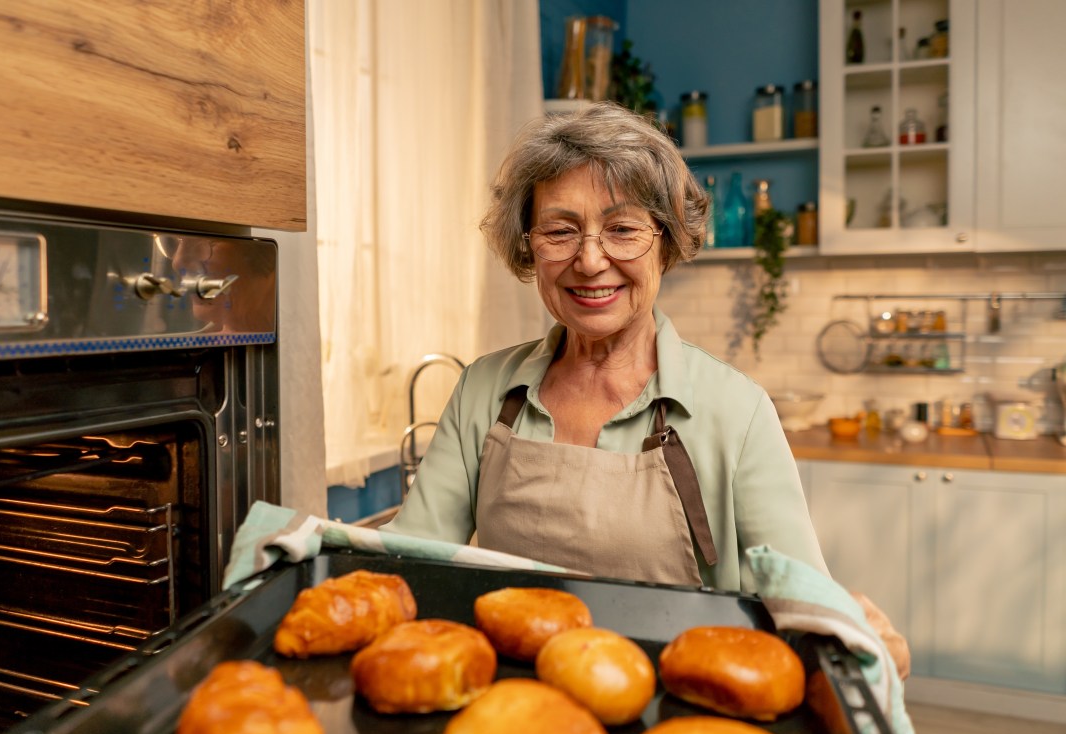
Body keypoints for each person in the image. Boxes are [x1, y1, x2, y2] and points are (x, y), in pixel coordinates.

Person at [381, 102, 909, 675]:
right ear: (528, 245)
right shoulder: (485, 389)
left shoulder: (737, 412)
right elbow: (411, 564)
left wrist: (859, 645)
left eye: (622, 230)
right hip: (513, 709)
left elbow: (801, 609)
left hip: (684, 713)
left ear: (667, 241)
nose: (589, 260)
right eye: (560, 231)